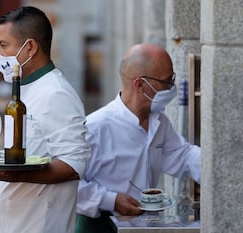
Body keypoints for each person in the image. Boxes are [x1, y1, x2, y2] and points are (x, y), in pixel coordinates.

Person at [0, 6, 91, 233]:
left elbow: (74, 165)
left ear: (31, 47)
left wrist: (9, 175)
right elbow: (33, 156)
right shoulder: (24, 89)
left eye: (3, 45)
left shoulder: (56, 93)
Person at [75, 43, 201, 233]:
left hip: (141, 226)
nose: (171, 88)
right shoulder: (95, 127)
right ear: (140, 84)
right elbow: (68, 185)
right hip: (100, 226)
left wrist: (219, 168)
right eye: (166, 82)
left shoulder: (159, 122)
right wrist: (111, 200)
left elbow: (182, 156)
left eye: (172, 79)